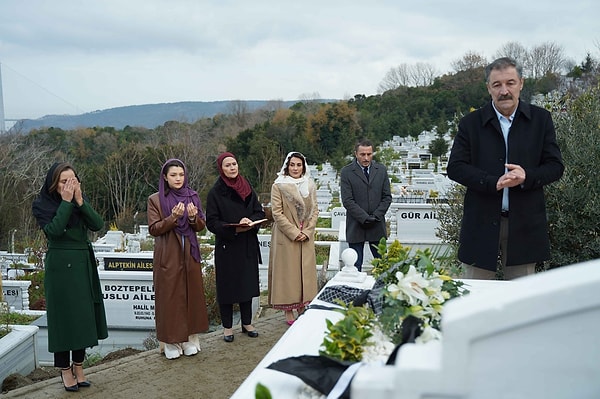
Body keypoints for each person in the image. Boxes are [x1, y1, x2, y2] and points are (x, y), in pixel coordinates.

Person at [447, 57, 564, 280]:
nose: (504, 91)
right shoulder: (470, 124)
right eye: (497, 85)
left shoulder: (541, 120)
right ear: (488, 88)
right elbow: (455, 167)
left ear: (521, 83)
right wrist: (491, 182)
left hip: (525, 224)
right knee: (475, 296)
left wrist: (527, 176)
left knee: (521, 301)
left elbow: (555, 166)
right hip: (480, 223)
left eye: (510, 83)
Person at [32, 162, 108, 392]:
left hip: (82, 263)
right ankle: (65, 370)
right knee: (64, 318)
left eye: (73, 180)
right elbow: (54, 231)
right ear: (54, 184)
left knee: (82, 316)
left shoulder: (78, 202)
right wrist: (65, 202)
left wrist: (80, 201)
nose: (69, 185)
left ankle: (79, 365)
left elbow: (97, 224)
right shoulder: (42, 205)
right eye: (64, 181)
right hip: (60, 267)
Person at [147, 159, 209, 359]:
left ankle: (189, 339)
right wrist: (173, 218)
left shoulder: (192, 196)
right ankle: (171, 342)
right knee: (170, 299)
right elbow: (154, 229)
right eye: (173, 175)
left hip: (189, 255)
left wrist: (192, 218)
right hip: (169, 256)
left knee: (191, 296)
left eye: (181, 175)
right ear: (165, 177)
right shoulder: (156, 199)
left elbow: (200, 226)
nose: (178, 179)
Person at [206, 152, 265, 342]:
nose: (232, 168)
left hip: (247, 243)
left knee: (246, 284)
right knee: (228, 287)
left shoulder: (247, 187)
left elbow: (259, 212)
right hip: (228, 245)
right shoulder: (216, 192)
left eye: (234, 164)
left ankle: (247, 323)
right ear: (221, 169)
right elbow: (212, 222)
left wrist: (251, 221)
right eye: (227, 165)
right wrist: (234, 228)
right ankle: (227, 328)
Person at [268, 152, 319, 325]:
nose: (295, 168)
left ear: (303, 166)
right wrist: (294, 232)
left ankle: (303, 305)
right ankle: (288, 308)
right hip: (286, 236)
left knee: (303, 271)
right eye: (292, 165)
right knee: (288, 274)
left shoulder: (310, 185)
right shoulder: (279, 185)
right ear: (287, 166)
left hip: (306, 236)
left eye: (299, 165)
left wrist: (308, 231)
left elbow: (315, 211)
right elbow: (277, 212)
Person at [340, 139, 392, 271]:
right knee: (355, 266)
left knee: (382, 266)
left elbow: (387, 197)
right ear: (356, 154)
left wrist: (376, 216)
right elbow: (347, 200)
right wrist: (364, 217)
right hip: (356, 225)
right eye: (362, 154)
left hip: (377, 224)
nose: (366, 158)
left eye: (369, 154)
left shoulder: (381, 170)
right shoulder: (346, 172)